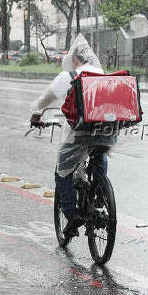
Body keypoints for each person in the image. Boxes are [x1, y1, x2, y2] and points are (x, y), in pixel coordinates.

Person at [30, 34, 117, 238]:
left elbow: (45, 100)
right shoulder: (104, 75)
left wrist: (35, 116)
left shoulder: (69, 77)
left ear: (75, 59)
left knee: (62, 171)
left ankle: (72, 215)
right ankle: (99, 194)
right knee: (99, 152)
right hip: (107, 131)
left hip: (79, 134)